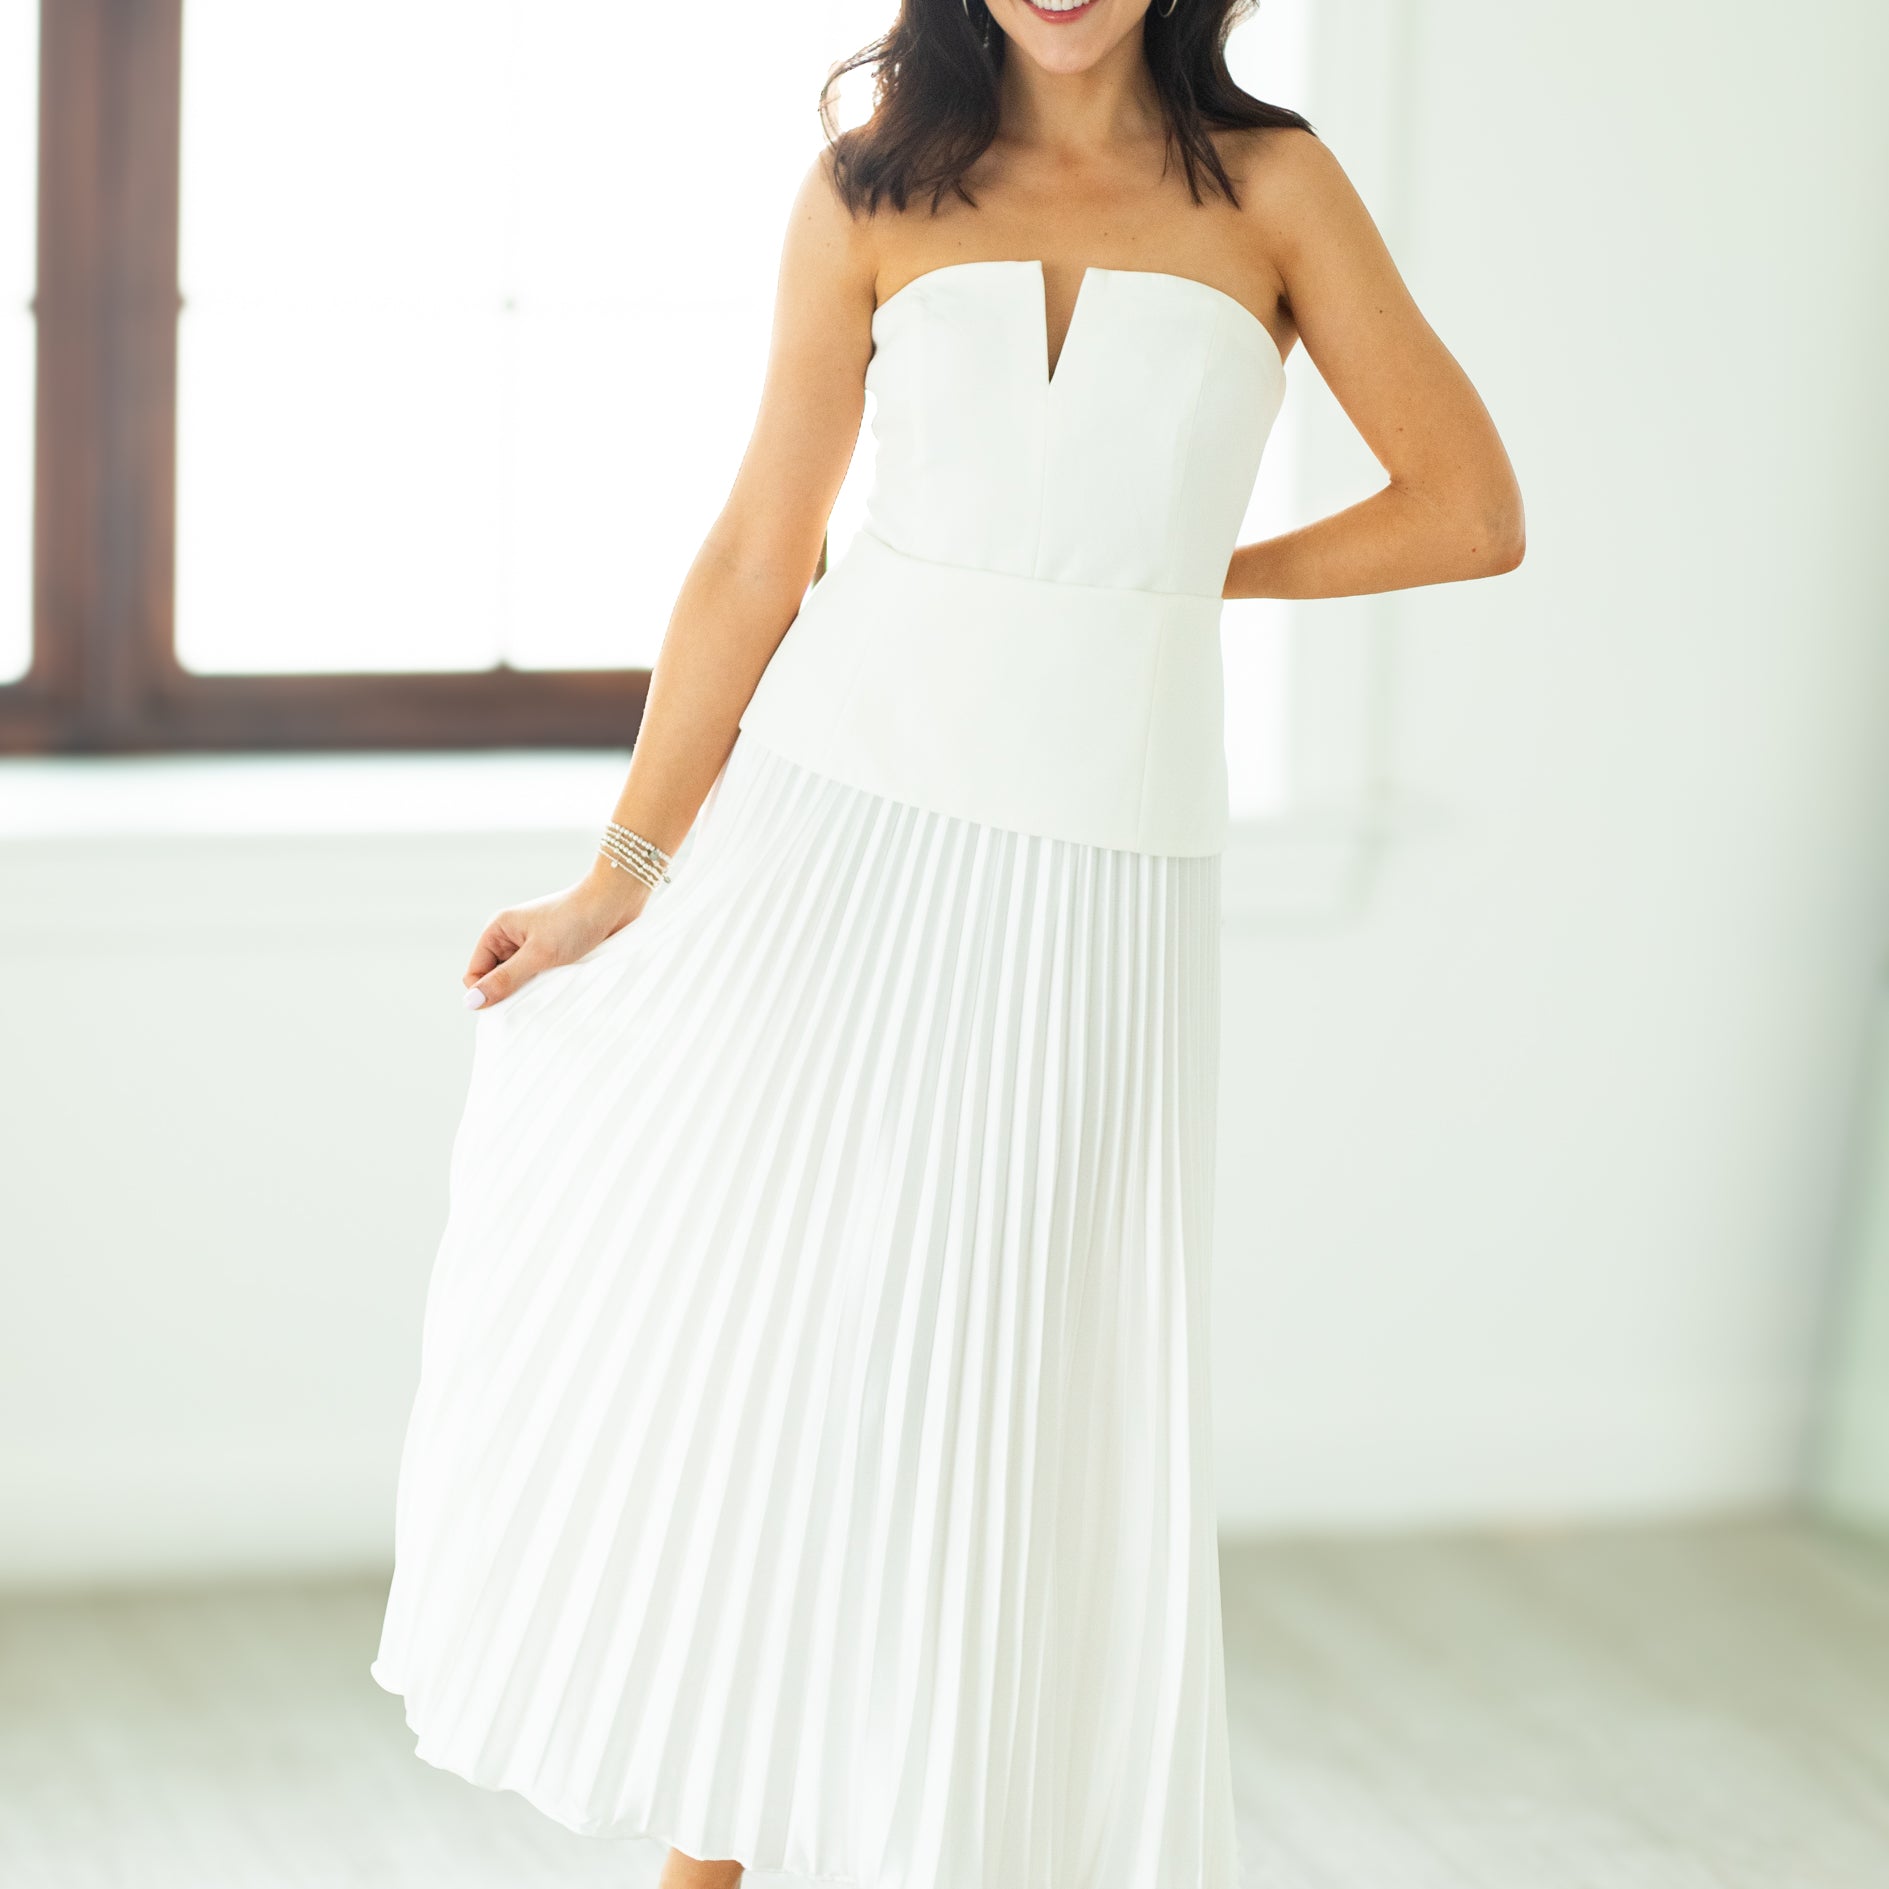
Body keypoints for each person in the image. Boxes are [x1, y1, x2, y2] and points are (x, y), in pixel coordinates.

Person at [370, 2, 1524, 1885]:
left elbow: (1468, 510)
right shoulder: (868, 188)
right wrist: (622, 873)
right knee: (766, 1349)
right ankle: (707, 1852)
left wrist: (1178, 578)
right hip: (825, 826)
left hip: (1094, 870)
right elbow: (761, 549)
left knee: (1015, 1397)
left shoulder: (1278, 189)